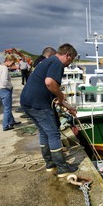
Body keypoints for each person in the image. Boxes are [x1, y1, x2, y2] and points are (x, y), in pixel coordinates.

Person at [20, 43, 78, 177]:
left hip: (27, 102)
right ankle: (62, 168)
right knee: (53, 134)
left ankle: (50, 164)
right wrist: (61, 95)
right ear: (67, 55)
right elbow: (49, 82)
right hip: (39, 104)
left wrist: (68, 107)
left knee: (44, 133)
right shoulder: (57, 63)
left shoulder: (48, 61)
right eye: (71, 60)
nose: (70, 64)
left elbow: (51, 91)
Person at [0, 55, 22, 131]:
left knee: (7, 107)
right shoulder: (5, 68)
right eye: (13, 63)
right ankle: (5, 125)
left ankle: (11, 121)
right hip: (5, 90)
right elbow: (4, 81)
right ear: (9, 61)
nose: (12, 65)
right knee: (7, 109)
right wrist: (10, 86)